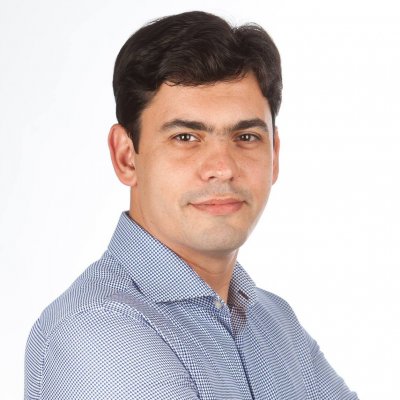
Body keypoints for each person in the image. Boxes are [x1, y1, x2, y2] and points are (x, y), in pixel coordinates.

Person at [25, 11, 358, 400]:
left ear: (275, 155)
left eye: (246, 137)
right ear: (126, 157)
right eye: (185, 137)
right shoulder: (97, 330)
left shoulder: (276, 323)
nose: (222, 168)